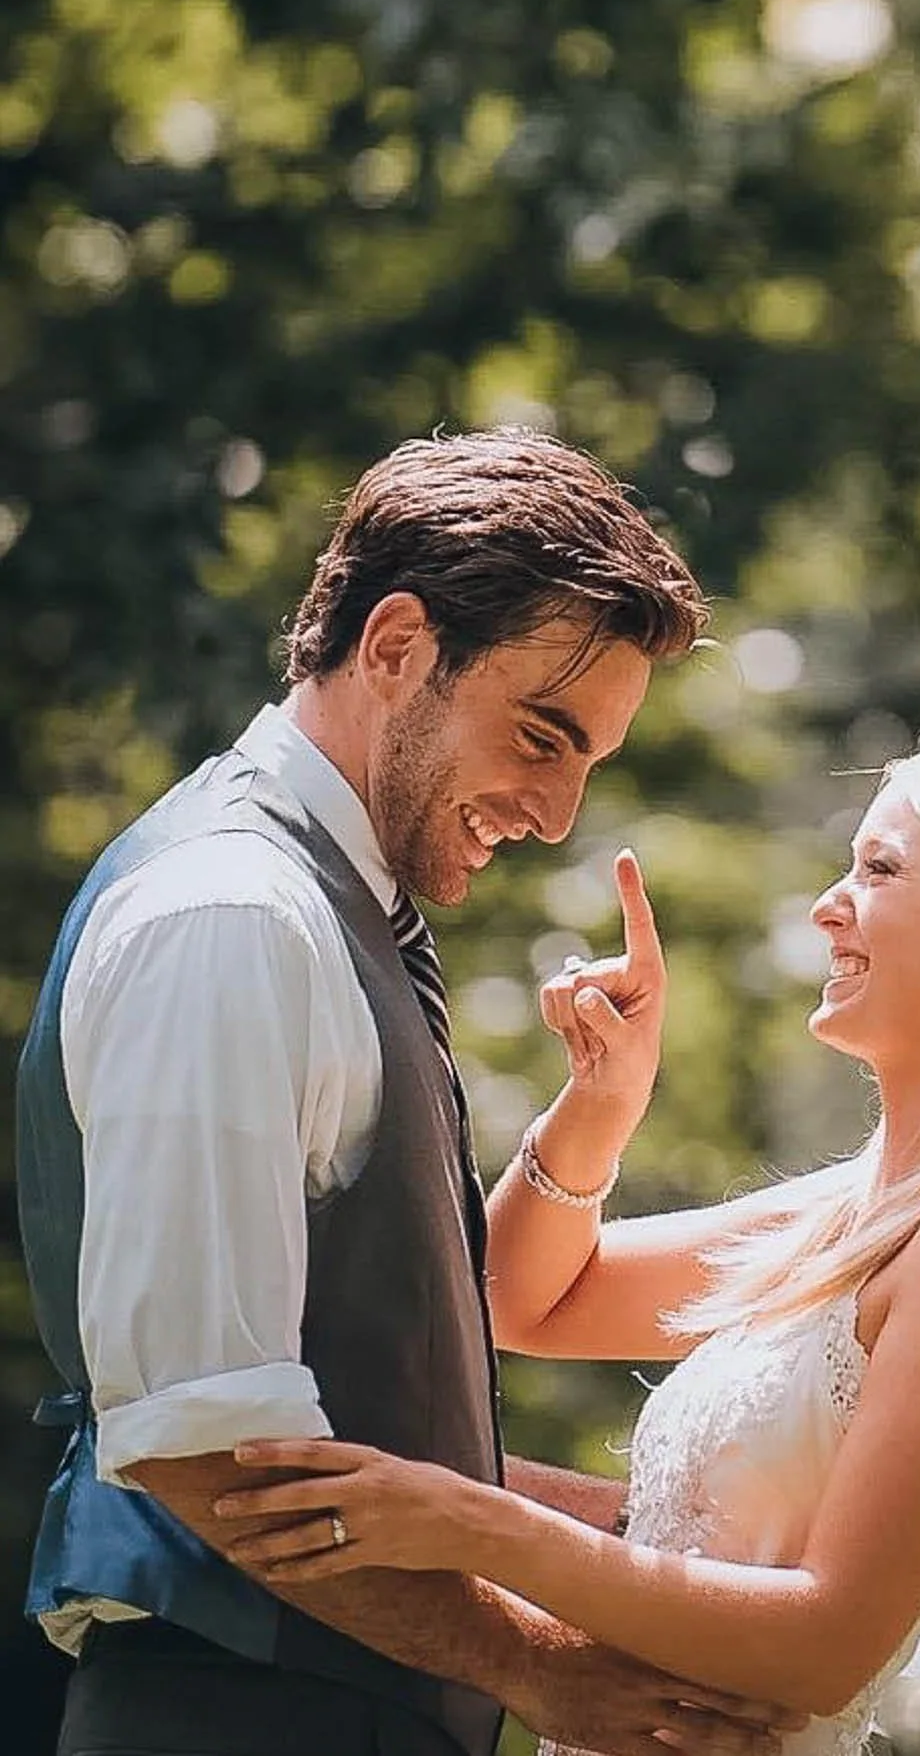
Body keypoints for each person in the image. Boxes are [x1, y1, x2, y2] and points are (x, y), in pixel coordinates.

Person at [212, 739, 920, 1756]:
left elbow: (822, 1647)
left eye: (881, 869)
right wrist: (600, 1105)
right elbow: (512, 1302)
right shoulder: (854, 1212)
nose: (826, 905)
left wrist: (476, 1526)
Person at [16, 429, 782, 1756]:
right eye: (544, 736)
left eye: (587, 762)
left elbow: (369, 1421)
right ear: (396, 645)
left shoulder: (328, 909)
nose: (555, 811)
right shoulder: (235, 918)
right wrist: (545, 1664)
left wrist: (665, 1545)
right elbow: (213, 1446)